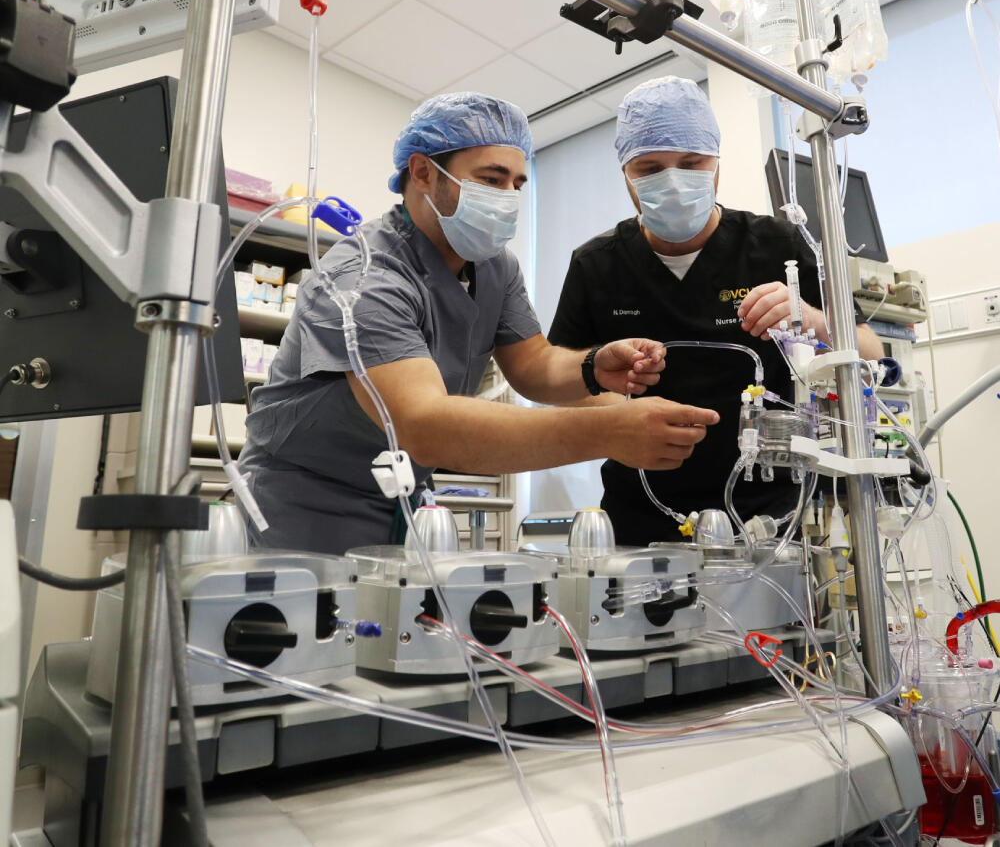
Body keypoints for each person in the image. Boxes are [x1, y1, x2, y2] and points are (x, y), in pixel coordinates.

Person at [238, 92, 720, 555]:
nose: (509, 197)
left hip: (402, 499)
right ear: (424, 172)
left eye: (517, 183)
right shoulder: (363, 277)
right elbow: (422, 425)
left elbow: (531, 363)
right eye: (491, 180)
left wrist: (594, 366)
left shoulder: (493, 265)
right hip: (304, 506)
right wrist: (606, 432)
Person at [548, 77, 882, 548]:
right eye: (649, 167)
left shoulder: (777, 245)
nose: (673, 180)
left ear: (717, 164)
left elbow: (871, 351)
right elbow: (561, 383)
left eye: (691, 163)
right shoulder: (596, 264)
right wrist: (619, 417)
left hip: (771, 518)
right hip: (641, 517)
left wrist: (812, 319)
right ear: (625, 173)